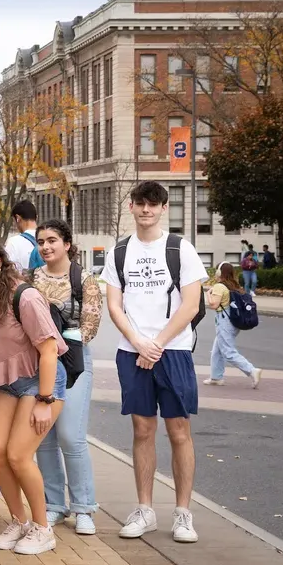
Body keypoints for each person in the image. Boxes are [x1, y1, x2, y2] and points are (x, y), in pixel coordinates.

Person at [104, 181, 205, 544]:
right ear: (130, 207)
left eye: (154, 204)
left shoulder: (181, 249)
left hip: (173, 351)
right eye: (141, 203)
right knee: (142, 430)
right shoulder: (119, 252)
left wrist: (157, 344)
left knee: (179, 431)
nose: (147, 210)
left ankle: (183, 514)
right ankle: (145, 510)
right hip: (132, 352)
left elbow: (191, 305)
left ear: (164, 209)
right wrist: (137, 342)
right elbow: (115, 305)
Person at [0, 234, 67, 556]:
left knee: (19, 455)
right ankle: (19, 522)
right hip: (1, 382)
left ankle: (42, 528)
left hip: (41, 380)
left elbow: (49, 350)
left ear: (0, 261)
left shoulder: (25, 296)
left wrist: (45, 402)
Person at [31, 219, 102, 536]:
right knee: (43, 437)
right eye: (41, 241)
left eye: (52, 241)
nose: (46, 247)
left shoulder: (84, 279)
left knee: (71, 436)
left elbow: (90, 326)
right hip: (37, 363)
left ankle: (84, 507)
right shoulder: (31, 278)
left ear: (67, 244)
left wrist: (56, 342)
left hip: (72, 362)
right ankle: (55, 504)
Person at [203, 262, 263, 388]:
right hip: (233, 321)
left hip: (224, 321)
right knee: (217, 350)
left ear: (219, 272)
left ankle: (252, 370)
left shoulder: (219, 286)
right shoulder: (234, 286)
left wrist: (208, 294)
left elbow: (214, 305)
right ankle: (216, 377)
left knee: (228, 352)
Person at [4, 199, 41, 270]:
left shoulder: (13, 242)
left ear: (17, 218)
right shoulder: (50, 240)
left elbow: (9, 272)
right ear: (36, 217)